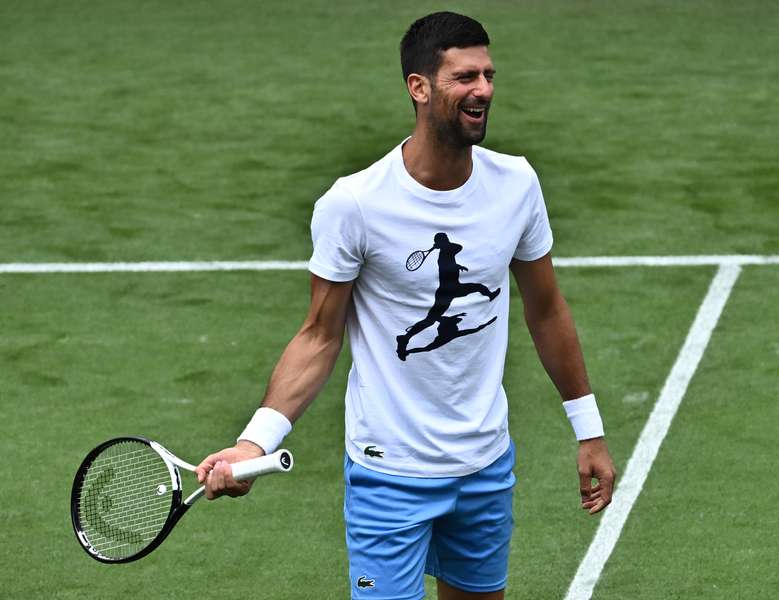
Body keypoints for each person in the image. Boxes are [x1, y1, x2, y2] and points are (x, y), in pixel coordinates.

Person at [197, 11, 616, 600]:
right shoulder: (355, 204)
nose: (484, 91)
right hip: (388, 472)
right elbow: (320, 335)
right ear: (419, 87)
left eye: (489, 75)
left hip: (485, 464)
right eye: (464, 77)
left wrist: (589, 431)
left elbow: (546, 309)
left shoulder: (517, 184)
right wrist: (255, 442)